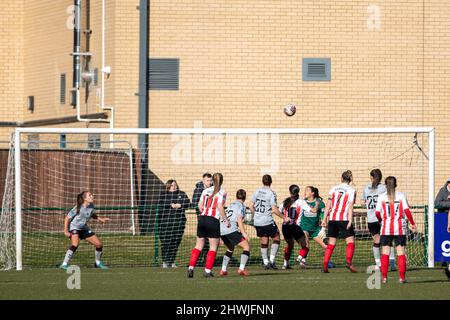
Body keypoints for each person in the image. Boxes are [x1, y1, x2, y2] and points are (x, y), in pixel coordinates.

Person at [187, 173, 230, 278]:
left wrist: (204, 213)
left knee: (198, 245)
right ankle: (207, 270)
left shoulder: (205, 190)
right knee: (213, 247)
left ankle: (191, 268)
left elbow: (199, 205)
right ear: (222, 181)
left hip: (202, 219)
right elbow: (220, 206)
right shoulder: (222, 192)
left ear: (212, 180)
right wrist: (226, 220)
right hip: (213, 220)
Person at [375, 176, 416, 284]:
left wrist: (381, 221)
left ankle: (384, 278)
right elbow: (407, 211)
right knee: (401, 253)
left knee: (385, 253)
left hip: (386, 228)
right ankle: (402, 278)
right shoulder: (401, 195)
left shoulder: (381, 197)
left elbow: (377, 213)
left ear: (385, 185)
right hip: (400, 229)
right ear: (396, 184)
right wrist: (412, 223)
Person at [60, 191, 110, 270]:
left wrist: (101, 219)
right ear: (85, 198)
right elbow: (67, 218)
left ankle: (97, 263)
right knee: (75, 244)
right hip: (75, 228)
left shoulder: (91, 206)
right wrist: (66, 231)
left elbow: (92, 214)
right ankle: (64, 264)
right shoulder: (78, 207)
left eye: (92, 195)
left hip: (84, 228)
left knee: (99, 245)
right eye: (90, 195)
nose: (92, 196)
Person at [321, 170, 357, 273]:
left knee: (331, 243)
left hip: (332, 219)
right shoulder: (351, 190)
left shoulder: (333, 188)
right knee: (350, 242)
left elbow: (328, 205)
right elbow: (350, 206)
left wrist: (324, 219)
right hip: (344, 219)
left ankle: (325, 265)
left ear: (341, 178)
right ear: (350, 180)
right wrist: (350, 220)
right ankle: (349, 263)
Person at [360, 169, 396, 271]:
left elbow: (362, 202)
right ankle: (392, 264)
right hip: (383, 218)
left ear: (371, 177)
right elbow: (391, 198)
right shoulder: (384, 188)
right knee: (388, 241)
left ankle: (379, 264)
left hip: (372, 219)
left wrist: (366, 204)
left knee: (377, 241)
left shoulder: (366, 188)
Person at [250, 174, 284, 269]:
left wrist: (255, 214)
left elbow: (251, 205)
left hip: (257, 221)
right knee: (277, 237)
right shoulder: (271, 193)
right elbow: (274, 209)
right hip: (267, 220)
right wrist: (284, 217)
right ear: (271, 182)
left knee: (264, 240)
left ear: (262, 181)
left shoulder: (257, 191)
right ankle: (272, 260)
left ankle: (266, 262)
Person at [279, 185, 317, 270]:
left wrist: (284, 217)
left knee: (290, 245)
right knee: (305, 245)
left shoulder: (285, 202)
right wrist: (317, 204)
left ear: (290, 192)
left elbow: (279, 210)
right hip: (295, 227)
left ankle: (285, 264)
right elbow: (313, 211)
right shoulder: (301, 202)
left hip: (285, 227)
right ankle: (299, 258)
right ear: (298, 192)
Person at [300, 186, 334, 268]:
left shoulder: (320, 203)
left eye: (307, 190)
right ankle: (302, 261)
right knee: (306, 243)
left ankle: (327, 261)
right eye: (305, 190)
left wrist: (324, 224)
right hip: (304, 227)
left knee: (326, 245)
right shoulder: (303, 202)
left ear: (312, 193)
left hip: (315, 229)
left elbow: (323, 214)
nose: (305, 192)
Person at [158, 180, 190, 268]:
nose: (174, 186)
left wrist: (180, 205)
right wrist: (170, 205)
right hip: (166, 224)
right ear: (168, 186)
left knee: (175, 242)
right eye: (172, 185)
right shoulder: (164, 195)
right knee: (166, 243)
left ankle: (172, 261)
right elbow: (160, 204)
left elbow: (188, 203)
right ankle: (165, 261)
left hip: (179, 223)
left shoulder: (182, 193)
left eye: (175, 185)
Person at [219, 189, 251, 276]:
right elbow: (239, 219)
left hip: (222, 229)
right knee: (246, 247)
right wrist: (244, 232)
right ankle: (241, 269)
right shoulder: (242, 206)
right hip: (231, 229)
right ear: (244, 198)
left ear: (236, 196)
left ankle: (223, 270)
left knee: (230, 248)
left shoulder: (230, 205)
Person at [192, 173, 213, 263]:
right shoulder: (198, 190)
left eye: (211, 180)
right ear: (203, 180)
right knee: (202, 238)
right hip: (202, 217)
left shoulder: (213, 189)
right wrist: (202, 209)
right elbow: (194, 202)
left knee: (210, 238)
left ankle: (207, 259)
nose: (209, 182)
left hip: (211, 216)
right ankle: (198, 259)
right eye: (207, 180)